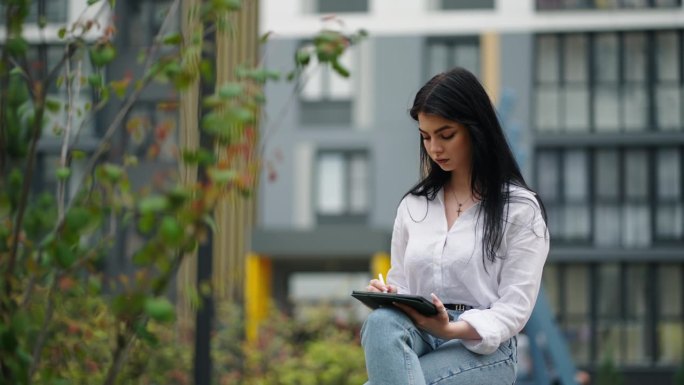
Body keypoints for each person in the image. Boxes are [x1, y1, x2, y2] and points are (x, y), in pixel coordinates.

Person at [360, 67, 549, 385]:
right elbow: (404, 282)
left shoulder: (519, 208)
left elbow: (515, 307)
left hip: (484, 348)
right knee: (380, 322)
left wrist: (450, 329)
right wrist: (393, 295)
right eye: (426, 137)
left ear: (476, 130)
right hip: (420, 333)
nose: (434, 148)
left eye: (446, 135)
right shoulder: (414, 206)